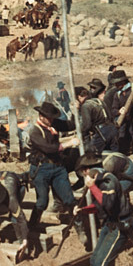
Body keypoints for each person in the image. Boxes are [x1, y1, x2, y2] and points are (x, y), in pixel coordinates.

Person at [75, 164, 133, 266]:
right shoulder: (101, 181)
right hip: (110, 224)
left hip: (121, 226)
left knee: (102, 264)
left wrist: (92, 188)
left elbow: (107, 204)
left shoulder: (109, 181)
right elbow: (99, 205)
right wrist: (83, 210)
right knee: (94, 260)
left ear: (86, 171)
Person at [27, 102, 84, 243]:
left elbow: (71, 125)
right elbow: (49, 148)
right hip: (41, 170)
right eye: (49, 117)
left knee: (69, 199)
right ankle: (31, 228)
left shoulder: (54, 124)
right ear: (41, 116)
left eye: (53, 117)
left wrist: (75, 110)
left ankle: (80, 229)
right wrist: (68, 144)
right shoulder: (35, 131)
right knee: (42, 202)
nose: (52, 120)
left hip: (58, 168)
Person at [78, 79, 118, 154]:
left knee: (93, 156)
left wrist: (80, 133)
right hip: (112, 130)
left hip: (101, 133)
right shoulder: (101, 102)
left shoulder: (86, 106)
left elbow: (87, 125)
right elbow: (110, 117)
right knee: (113, 155)